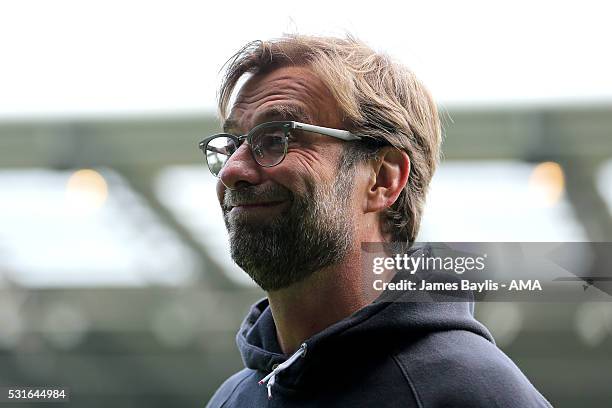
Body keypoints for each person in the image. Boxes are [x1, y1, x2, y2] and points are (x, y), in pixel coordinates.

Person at [202, 34, 552, 407]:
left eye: (277, 137)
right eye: (231, 144)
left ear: (383, 179)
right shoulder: (232, 398)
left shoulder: (476, 393)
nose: (233, 170)